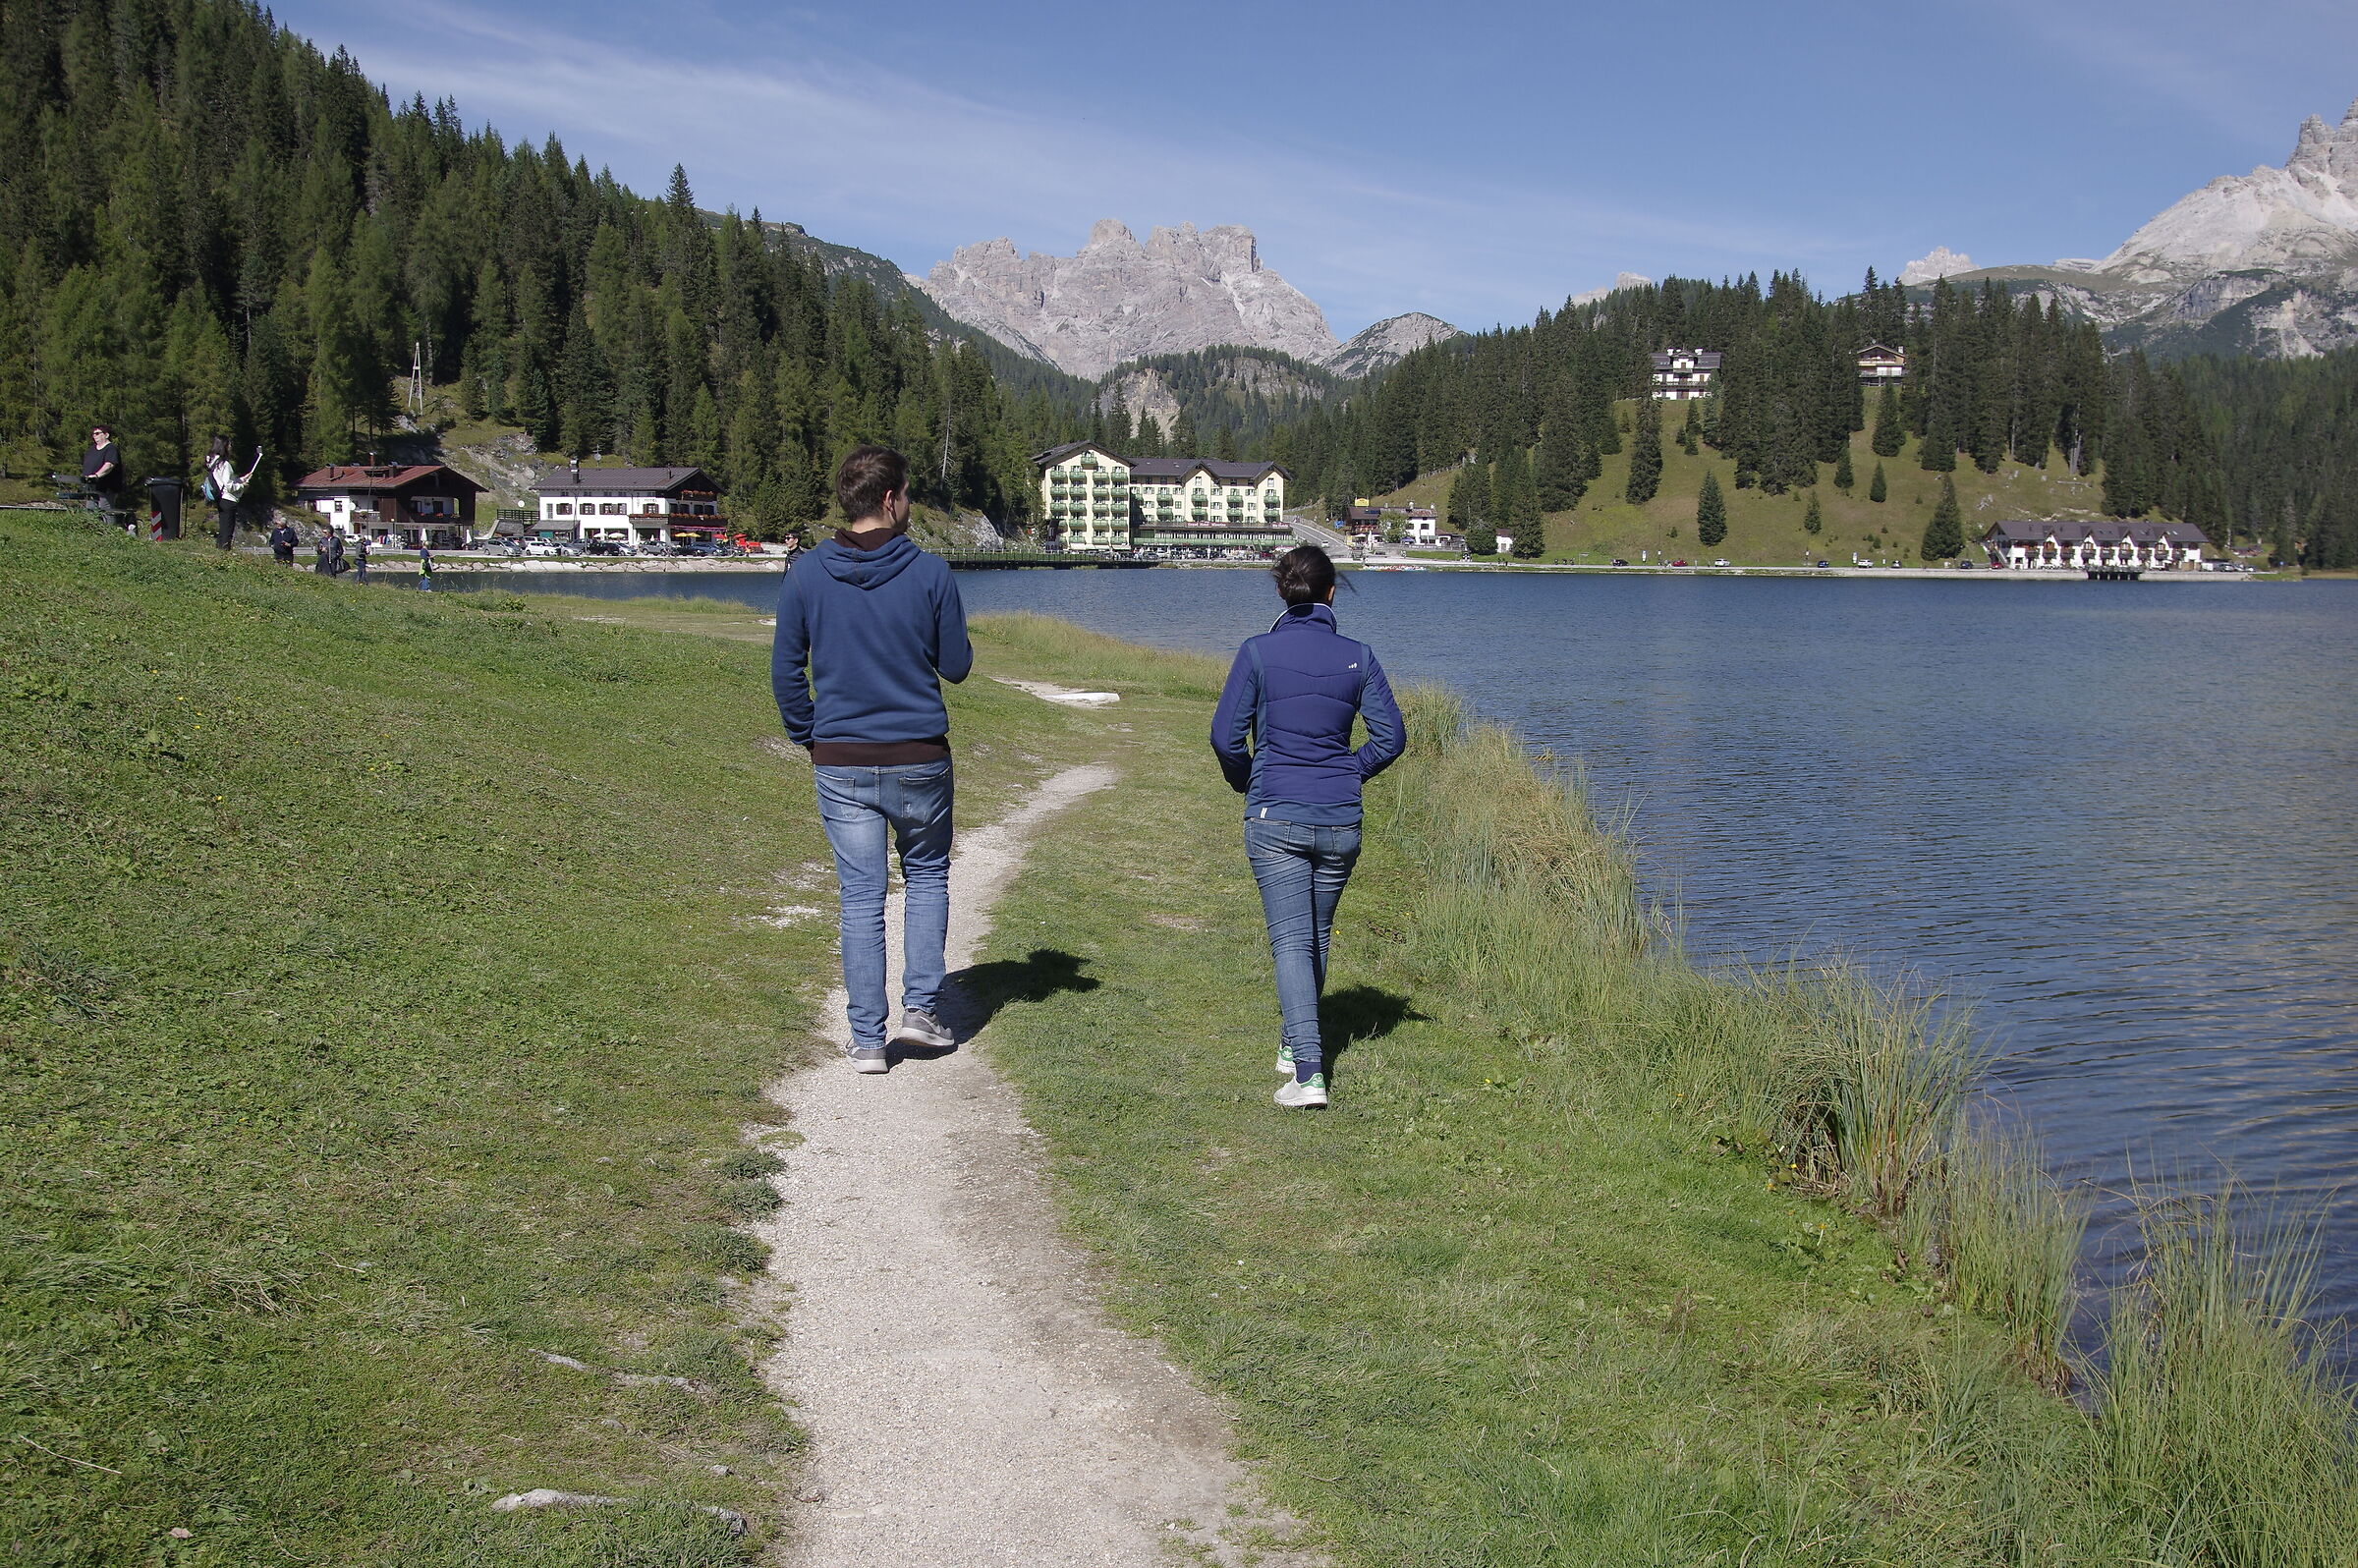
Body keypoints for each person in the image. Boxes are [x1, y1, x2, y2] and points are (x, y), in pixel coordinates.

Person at [771, 445, 972, 1074]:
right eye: (908, 494)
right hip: (918, 755)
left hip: (841, 760)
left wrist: (814, 736)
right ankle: (922, 1012)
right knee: (927, 878)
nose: (909, 504)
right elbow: (957, 667)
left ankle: (866, 1042)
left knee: (860, 896)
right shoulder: (932, 574)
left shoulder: (805, 574)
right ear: (891, 499)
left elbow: (786, 672)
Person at [1210, 545, 1404, 1109]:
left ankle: (1310, 1074)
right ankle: (1296, 1045)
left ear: (1281, 592)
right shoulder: (1359, 656)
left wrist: (1249, 780)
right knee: (1314, 936)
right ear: (1330, 592)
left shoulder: (1257, 652)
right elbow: (1391, 739)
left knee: (1293, 941)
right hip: (1340, 818)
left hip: (1276, 816)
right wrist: (1350, 769)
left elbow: (1225, 737)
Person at [201, 436, 263, 550]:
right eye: (229, 445)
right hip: (229, 500)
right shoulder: (225, 464)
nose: (230, 447)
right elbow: (229, 486)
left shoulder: (214, 463)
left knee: (223, 527)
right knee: (227, 529)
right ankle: (224, 553)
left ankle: (219, 550)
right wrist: (242, 485)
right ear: (224, 446)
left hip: (221, 499)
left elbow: (224, 482)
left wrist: (242, 479)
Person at [81, 423, 125, 530]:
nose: (94, 436)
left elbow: (109, 465)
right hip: (91, 487)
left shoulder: (111, 449)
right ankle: (93, 533)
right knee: (91, 511)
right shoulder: (91, 450)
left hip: (106, 487)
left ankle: (109, 532)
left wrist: (97, 475)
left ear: (106, 435)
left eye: (97, 433)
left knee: (106, 511)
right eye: (93, 434)